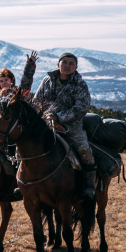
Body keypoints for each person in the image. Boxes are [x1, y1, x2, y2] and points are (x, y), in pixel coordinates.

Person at [32, 52, 96, 200]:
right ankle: (24, 182)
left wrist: (59, 117)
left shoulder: (80, 84)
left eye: (71, 63)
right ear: (58, 64)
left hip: (71, 125)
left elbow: (81, 107)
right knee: (26, 144)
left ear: (76, 67)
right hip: (45, 123)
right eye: (64, 62)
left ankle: (89, 186)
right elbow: (37, 101)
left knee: (84, 150)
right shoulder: (47, 80)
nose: (67, 66)